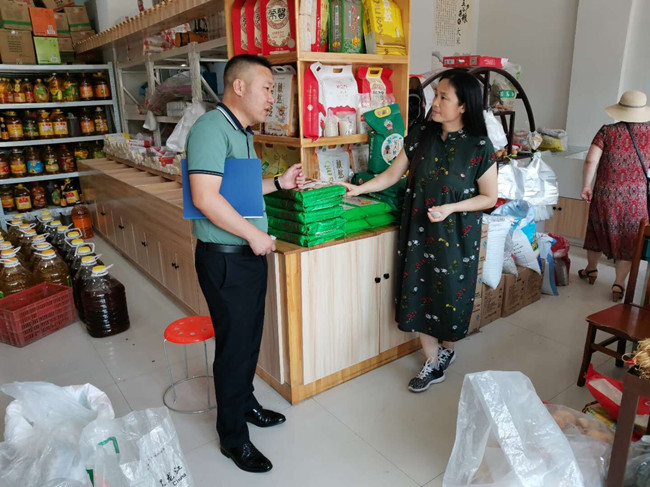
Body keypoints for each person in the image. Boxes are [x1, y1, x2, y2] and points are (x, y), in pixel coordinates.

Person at [339, 69, 497, 392]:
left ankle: (447, 349)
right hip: (419, 232)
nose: (434, 102)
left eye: (443, 97)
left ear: (463, 106)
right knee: (420, 292)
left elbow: (489, 197)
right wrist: (359, 189)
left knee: (451, 295)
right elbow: (392, 174)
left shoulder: (479, 146)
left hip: (457, 237)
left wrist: (451, 208)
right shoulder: (421, 135)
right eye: (435, 95)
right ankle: (432, 361)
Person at [186, 54, 305, 473]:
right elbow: (205, 197)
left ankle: (246, 402)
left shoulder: (241, 132)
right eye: (268, 88)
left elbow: (235, 191)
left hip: (247, 256)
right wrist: (254, 235)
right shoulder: (210, 129)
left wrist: (279, 183)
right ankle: (233, 437)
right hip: (226, 260)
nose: (273, 98)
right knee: (235, 348)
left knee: (248, 339)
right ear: (239, 87)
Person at [579, 90, 650, 301]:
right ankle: (619, 283)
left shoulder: (607, 132)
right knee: (629, 239)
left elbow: (591, 160)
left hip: (606, 194)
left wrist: (586, 185)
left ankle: (591, 269)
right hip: (636, 198)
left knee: (596, 232)